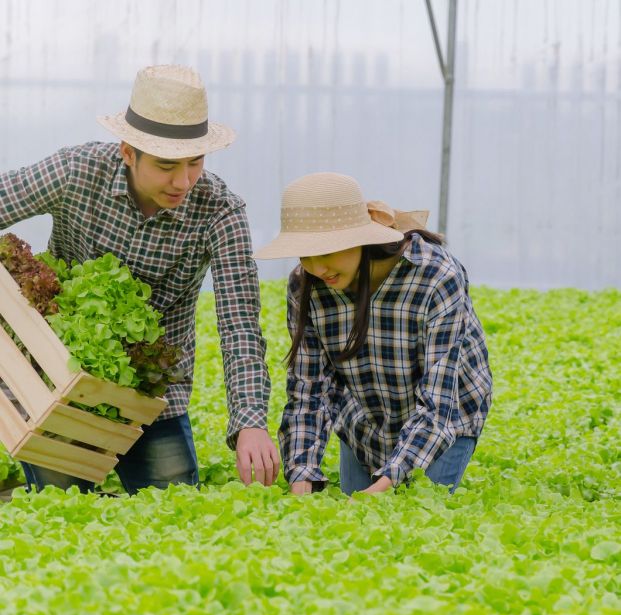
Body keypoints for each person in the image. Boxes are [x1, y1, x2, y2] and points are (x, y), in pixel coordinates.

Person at [0, 65, 279, 493]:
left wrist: (251, 423)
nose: (183, 181)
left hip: (150, 401)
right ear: (128, 152)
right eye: (167, 165)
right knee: (64, 509)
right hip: (62, 384)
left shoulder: (219, 211)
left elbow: (239, 323)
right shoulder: (76, 172)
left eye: (195, 163)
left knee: (173, 509)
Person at [254, 172, 492, 495]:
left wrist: (383, 486)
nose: (316, 268)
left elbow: (439, 405)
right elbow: (308, 392)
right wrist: (301, 478)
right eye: (305, 255)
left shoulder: (435, 275)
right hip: (364, 420)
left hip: (446, 420)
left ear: (359, 238)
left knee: (414, 518)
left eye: (325, 252)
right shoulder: (305, 284)